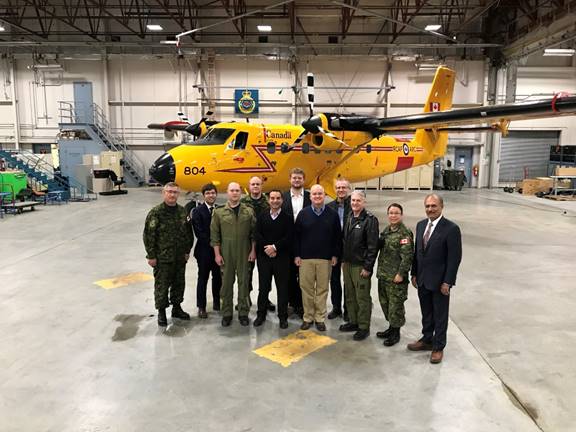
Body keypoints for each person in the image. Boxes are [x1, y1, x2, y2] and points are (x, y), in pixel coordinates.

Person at [408, 194, 462, 364]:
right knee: (427, 312)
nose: (430, 209)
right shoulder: (421, 225)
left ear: (441, 206)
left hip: (440, 283)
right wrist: (414, 273)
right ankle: (427, 339)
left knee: (440, 315)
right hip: (423, 279)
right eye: (427, 206)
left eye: (433, 206)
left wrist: (448, 281)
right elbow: (418, 253)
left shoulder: (451, 229)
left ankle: (438, 347)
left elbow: (454, 258)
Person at [143, 182, 194, 327]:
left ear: (179, 194)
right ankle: (162, 312)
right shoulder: (156, 212)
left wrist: (187, 251)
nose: (172, 195)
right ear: (164, 193)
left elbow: (188, 234)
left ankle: (177, 308)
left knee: (179, 283)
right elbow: (148, 235)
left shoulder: (182, 212)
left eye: (175, 192)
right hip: (162, 258)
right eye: (169, 192)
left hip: (179, 257)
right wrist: (151, 255)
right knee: (162, 286)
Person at [294, 184, 341, 331]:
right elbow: (296, 237)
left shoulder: (332, 214)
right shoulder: (303, 214)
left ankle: (320, 317)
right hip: (306, 259)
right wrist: (297, 255)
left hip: (325, 258)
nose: (317, 197)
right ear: (310, 197)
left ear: (324, 195)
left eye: (320, 194)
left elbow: (337, 237)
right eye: (314, 194)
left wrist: (334, 254)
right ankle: (308, 317)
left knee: (322, 289)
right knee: (306, 289)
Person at [210, 182, 256, 327]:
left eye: (237, 190)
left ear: (240, 193)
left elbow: (254, 234)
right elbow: (215, 235)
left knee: (244, 284)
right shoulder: (218, 212)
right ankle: (227, 313)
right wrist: (217, 254)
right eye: (232, 190)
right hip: (226, 252)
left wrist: (253, 251)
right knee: (226, 285)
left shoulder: (248, 211)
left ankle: (243, 313)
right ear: (227, 192)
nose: (235, 193)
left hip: (244, 251)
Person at [339, 191, 379, 341]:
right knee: (350, 295)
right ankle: (353, 321)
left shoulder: (369, 220)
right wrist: (343, 259)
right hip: (348, 263)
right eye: (353, 200)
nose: (355, 203)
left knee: (362, 297)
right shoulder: (349, 216)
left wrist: (368, 267)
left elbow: (372, 246)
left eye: (358, 201)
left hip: (360, 265)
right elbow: (345, 241)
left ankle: (363, 327)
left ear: (364, 202)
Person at [254, 190, 294, 329]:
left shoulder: (288, 218)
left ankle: (283, 316)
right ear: (268, 200)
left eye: (278, 198)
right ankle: (261, 314)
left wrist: (275, 247)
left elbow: (289, 237)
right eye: (272, 198)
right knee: (263, 288)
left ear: (282, 200)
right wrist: (268, 249)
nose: (275, 201)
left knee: (282, 289)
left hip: (281, 258)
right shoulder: (262, 216)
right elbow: (257, 234)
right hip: (264, 258)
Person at [376, 203, 413, 346]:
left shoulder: (404, 233)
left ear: (401, 215)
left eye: (396, 213)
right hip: (384, 275)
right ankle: (391, 328)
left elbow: (407, 256)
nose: (393, 215)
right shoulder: (386, 230)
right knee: (385, 304)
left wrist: (401, 274)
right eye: (391, 213)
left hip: (396, 278)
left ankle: (395, 333)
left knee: (395, 306)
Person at [240, 176, 275, 312]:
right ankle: (245, 297)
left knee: (265, 273)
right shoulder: (243, 202)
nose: (255, 186)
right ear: (249, 186)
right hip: (247, 244)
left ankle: (265, 298)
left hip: (265, 244)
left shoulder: (268, 202)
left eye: (258, 184)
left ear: (262, 186)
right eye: (253, 184)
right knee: (246, 273)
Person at [282, 168, 311, 318]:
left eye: (299, 178)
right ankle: (291, 303)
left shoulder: (310, 197)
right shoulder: (283, 197)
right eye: (294, 178)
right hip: (288, 243)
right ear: (290, 179)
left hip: (306, 242)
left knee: (304, 276)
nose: (297, 180)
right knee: (289, 275)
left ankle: (301, 305)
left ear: (303, 180)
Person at [190, 183, 221, 319]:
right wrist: (214, 244)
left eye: (213, 193)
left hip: (218, 251)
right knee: (203, 278)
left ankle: (216, 301)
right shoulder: (197, 211)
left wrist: (218, 249)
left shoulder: (220, 210)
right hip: (204, 252)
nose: (211, 195)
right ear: (204, 196)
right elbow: (199, 233)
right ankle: (201, 307)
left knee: (218, 278)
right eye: (208, 193)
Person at [326, 178, 352, 320]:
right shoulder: (329, 207)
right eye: (338, 188)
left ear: (348, 189)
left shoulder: (354, 206)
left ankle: (348, 309)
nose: (341, 190)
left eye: (344, 187)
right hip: (334, 248)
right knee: (334, 279)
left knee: (347, 280)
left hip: (349, 249)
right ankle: (336, 308)